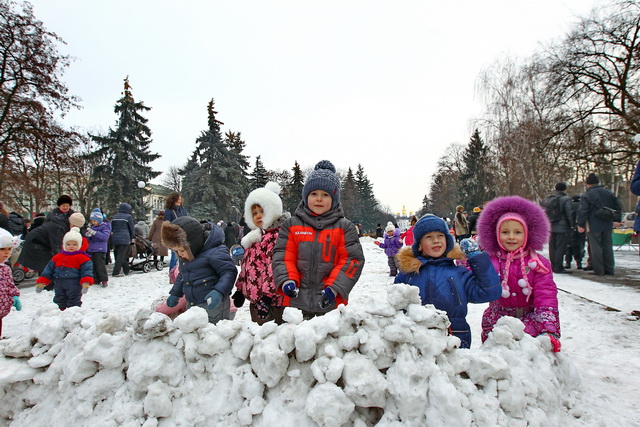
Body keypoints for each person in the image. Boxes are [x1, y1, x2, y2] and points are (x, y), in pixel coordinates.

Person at [272, 160, 365, 319]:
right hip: (296, 304)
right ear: (305, 197)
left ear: (334, 199)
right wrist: (287, 280)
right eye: (314, 194)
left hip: (330, 303)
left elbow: (352, 260)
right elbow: (283, 256)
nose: (319, 199)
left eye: (325, 195)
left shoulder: (344, 227)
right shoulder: (291, 225)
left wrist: (334, 288)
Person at [394, 215, 501, 349]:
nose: (436, 241)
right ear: (419, 245)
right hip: (417, 339)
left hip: (454, 337)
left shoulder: (458, 273)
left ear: (447, 241)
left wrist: (477, 258)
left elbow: (489, 292)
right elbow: (396, 306)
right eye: (429, 237)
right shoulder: (408, 275)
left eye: (440, 236)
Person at [476, 195, 561, 352]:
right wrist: (469, 259)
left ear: (527, 234)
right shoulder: (490, 260)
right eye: (505, 232)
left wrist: (548, 329)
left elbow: (546, 295)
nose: (511, 237)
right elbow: (474, 279)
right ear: (496, 234)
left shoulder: (537, 263)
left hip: (531, 322)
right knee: (498, 358)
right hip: (498, 322)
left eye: (517, 232)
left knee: (528, 358)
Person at [162, 216, 238, 324]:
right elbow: (183, 275)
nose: (179, 254)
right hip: (192, 304)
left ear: (193, 245)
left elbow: (229, 272)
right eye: (176, 251)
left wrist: (219, 291)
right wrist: (175, 293)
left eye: (182, 250)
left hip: (213, 305)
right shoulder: (187, 257)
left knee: (211, 331)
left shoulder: (215, 252)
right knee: (194, 330)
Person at [234, 182, 290, 325]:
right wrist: (240, 289)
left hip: (273, 302)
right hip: (257, 300)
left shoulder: (276, 237)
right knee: (259, 333)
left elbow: (275, 268)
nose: (258, 216)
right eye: (254, 213)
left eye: (262, 211)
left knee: (272, 334)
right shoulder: (255, 238)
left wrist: (267, 297)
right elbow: (247, 267)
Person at [35, 227, 94, 310]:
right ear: (64, 245)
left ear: (79, 245)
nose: (71, 247)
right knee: (59, 299)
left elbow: (86, 271)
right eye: (68, 244)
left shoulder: (82, 258)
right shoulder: (58, 257)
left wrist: (86, 282)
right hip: (59, 283)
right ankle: (60, 312)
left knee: (73, 300)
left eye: (74, 244)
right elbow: (48, 270)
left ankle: (72, 314)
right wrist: (42, 282)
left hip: (74, 284)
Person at [576, 173, 622, 276]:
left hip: (594, 224)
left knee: (595, 247)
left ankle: (598, 270)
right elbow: (617, 207)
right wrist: (617, 219)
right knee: (607, 246)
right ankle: (609, 269)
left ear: (588, 184)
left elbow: (583, 211)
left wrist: (581, 224)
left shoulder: (587, 195)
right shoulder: (609, 193)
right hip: (607, 223)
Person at [18, 209, 85, 275]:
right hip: (35, 243)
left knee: (50, 267)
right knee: (48, 267)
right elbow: (57, 246)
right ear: (71, 222)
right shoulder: (59, 227)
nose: (75, 228)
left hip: (41, 242)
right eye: (74, 226)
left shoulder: (63, 223)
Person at [543, 182, 574, 274]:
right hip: (562, 227)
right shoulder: (566, 199)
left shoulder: (549, 198)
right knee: (560, 247)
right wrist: (572, 224)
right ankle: (558, 267)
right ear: (565, 189)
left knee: (552, 247)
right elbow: (569, 213)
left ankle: (553, 266)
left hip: (550, 226)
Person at [0, 229, 21, 337]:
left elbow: (10, 285)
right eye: (2, 249)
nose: (7, 253)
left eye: (9, 249)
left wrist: (14, 296)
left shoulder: (5, 268)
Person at [85, 208, 111, 287]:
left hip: (100, 249)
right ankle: (95, 279)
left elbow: (105, 237)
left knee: (100, 265)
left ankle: (103, 279)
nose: (93, 223)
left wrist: (95, 233)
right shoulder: (92, 227)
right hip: (91, 248)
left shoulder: (105, 227)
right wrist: (88, 235)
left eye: (94, 221)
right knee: (92, 265)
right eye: (92, 221)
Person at [164, 192, 188, 271]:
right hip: (174, 235)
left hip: (183, 234)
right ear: (174, 200)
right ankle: (172, 273)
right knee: (174, 257)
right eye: (179, 199)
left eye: (181, 199)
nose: (180, 201)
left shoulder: (183, 210)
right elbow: (167, 224)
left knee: (184, 255)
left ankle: (182, 272)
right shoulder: (169, 211)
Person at [111, 203, 135, 277]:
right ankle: (116, 272)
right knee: (121, 255)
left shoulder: (114, 217)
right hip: (124, 238)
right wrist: (132, 237)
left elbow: (111, 227)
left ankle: (126, 269)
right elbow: (131, 228)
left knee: (119, 255)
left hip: (115, 238)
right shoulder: (128, 217)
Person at [564, 195, 585, 269]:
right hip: (579, 228)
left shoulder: (569, 206)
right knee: (579, 246)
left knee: (569, 246)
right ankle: (579, 263)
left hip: (569, 228)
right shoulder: (581, 206)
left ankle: (568, 262)